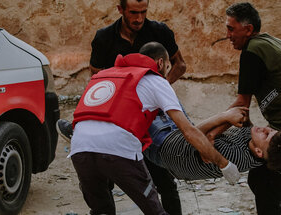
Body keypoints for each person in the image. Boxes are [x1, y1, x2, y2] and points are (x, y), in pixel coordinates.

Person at [68, 42, 240, 215]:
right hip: (119, 148)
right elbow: (187, 130)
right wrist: (223, 163)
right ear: (160, 64)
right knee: (154, 210)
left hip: (79, 146)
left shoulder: (106, 75)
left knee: (101, 210)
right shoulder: (156, 80)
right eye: (167, 67)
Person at [56, 0, 187, 214]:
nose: (139, 19)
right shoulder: (104, 38)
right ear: (120, 9)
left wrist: (155, 92)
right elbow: (96, 80)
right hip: (116, 119)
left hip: (149, 115)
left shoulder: (159, 31)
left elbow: (180, 65)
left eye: (144, 12)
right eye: (133, 12)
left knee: (164, 180)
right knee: (104, 183)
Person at [219, 2, 281, 215]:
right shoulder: (269, 42)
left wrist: (205, 134)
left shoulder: (252, 51)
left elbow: (241, 105)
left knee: (266, 184)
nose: (227, 35)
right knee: (263, 181)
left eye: (231, 28)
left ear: (248, 30)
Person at [144, 106, 281, 181]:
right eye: (270, 129)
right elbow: (242, 117)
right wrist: (231, 119)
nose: (264, 128)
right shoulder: (255, 145)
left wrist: (225, 117)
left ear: (259, 152)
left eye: (266, 134)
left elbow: (195, 134)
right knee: (162, 87)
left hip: (164, 146)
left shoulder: (236, 157)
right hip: (177, 136)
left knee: (135, 101)